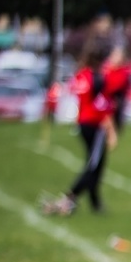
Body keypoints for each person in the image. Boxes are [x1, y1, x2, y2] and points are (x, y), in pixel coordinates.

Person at [41, 36, 117, 217]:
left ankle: (96, 205)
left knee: (94, 165)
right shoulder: (98, 78)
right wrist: (110, 129)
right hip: (94, 124)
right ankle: (69, 197)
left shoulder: (80, 75)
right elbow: (102, 104)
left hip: (82, 123)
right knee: (94, 166)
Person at [102, 43, 131, 132]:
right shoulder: (105, 69)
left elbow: (119, 85)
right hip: (105, 101)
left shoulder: (124, 71)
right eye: (116, 56)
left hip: (117, 101)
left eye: (119, 56)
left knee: (115, 128)